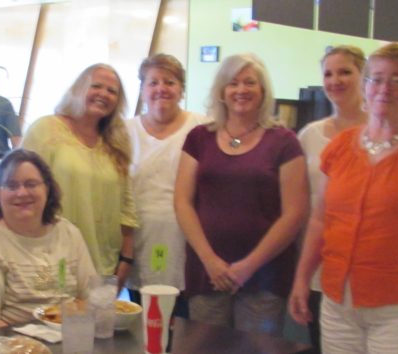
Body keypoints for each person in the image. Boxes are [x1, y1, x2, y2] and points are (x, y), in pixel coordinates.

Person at [289, 43, 398, 354]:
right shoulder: (340, 146)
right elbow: (321, 220)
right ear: (366, 86)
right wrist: (302, 279)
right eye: (377, 79)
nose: (385, 88)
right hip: (337, 299)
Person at [174, 53, 308, 351]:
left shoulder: (284, 142)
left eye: (250, 83)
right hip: (206, 272)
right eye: (233, 83)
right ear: (221, 91)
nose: (241, 90)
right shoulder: (199, 138)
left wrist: (248, 266)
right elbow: (182, 202)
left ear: (263, 92)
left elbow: (294, 214)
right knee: (204, 348)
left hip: (264, 276)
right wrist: (210, 260)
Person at [0, 149, 98, 332]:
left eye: (31, 184)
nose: (22, 193)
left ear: (47, 189)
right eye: (11, 186)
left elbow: (93, 299)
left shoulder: (69, 233)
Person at [21, 63, 138, 287]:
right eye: (96, 86)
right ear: (79, 89)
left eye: (112, 91)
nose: (103, 94)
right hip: (50, 260)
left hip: (103, 264)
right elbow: (20, 192)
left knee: (97, 322)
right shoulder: (46, 130)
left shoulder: (117, 142)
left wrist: (126, 259)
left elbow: (126, 207)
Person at [289, 45, 367, 352]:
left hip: (367, 265)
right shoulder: (309, 135)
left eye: (345, 72)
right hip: (317, 265)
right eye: (329, 74)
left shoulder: (381, 132)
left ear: (364, 76)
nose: (336, 80)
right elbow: (299, 203)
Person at [125, 53, 208, 299]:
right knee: (143, 317)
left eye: (170, 82)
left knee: (182, 320)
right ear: (142, 90)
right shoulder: (124, 132)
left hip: (186, 240)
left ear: (181, 89)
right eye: (153, 82)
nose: (161, 88)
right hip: (139, 239)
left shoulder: (203, 128)